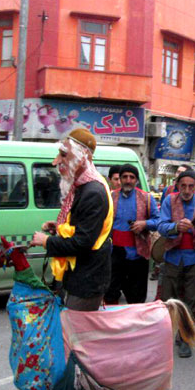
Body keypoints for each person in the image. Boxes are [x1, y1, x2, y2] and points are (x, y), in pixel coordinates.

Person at [31, 128, 113, 312]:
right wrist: (59, 228)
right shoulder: (82, 186)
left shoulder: (93, 192)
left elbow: (83, 242)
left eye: (63, 155)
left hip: (86, 281)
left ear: (82, 156)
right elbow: (82, 228)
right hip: (77, 277)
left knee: (77, 336)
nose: (56, 161)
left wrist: (47, 241)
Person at [157, 168, 195, 357]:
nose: (187, 190)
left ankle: (184, 338)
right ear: (177, 186)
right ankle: (168, 334)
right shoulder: (169, 201)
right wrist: (174, 227)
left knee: (190, 298)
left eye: (191, 186)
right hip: (173, 256)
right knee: (170, 298)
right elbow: (161, 225)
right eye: (183, 186)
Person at [105, 164, 159, 306]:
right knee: (110, 292)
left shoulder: (146, 198)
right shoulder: (110, 197)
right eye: (125, 177)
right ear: (120, 179)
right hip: (114, 253)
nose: (128, 180)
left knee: (136, 296)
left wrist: (144, 224)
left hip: (137, 254)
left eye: (132, 177)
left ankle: (135, 325)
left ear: (136, 180)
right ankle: (113, 323)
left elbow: (158, 221)